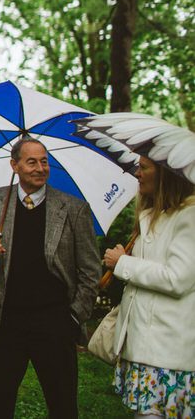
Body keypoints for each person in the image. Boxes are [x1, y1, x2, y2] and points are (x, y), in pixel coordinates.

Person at [0, 136, 100, 419]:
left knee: (63, 405)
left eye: (44, 161)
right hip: (4, 322)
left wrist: (74, 317)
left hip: (55, 322)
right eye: (31, 162)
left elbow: (91, 271)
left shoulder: (73, 208)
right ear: (15, 166)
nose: (40, 168)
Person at [103, 155, 195, 418]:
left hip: (167, 355)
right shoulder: (154, 214)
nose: (137, 174)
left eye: (143, 168)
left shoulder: (189, 215)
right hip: (144, 348)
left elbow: (178, 278)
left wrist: (123, 263)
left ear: (165, 173)